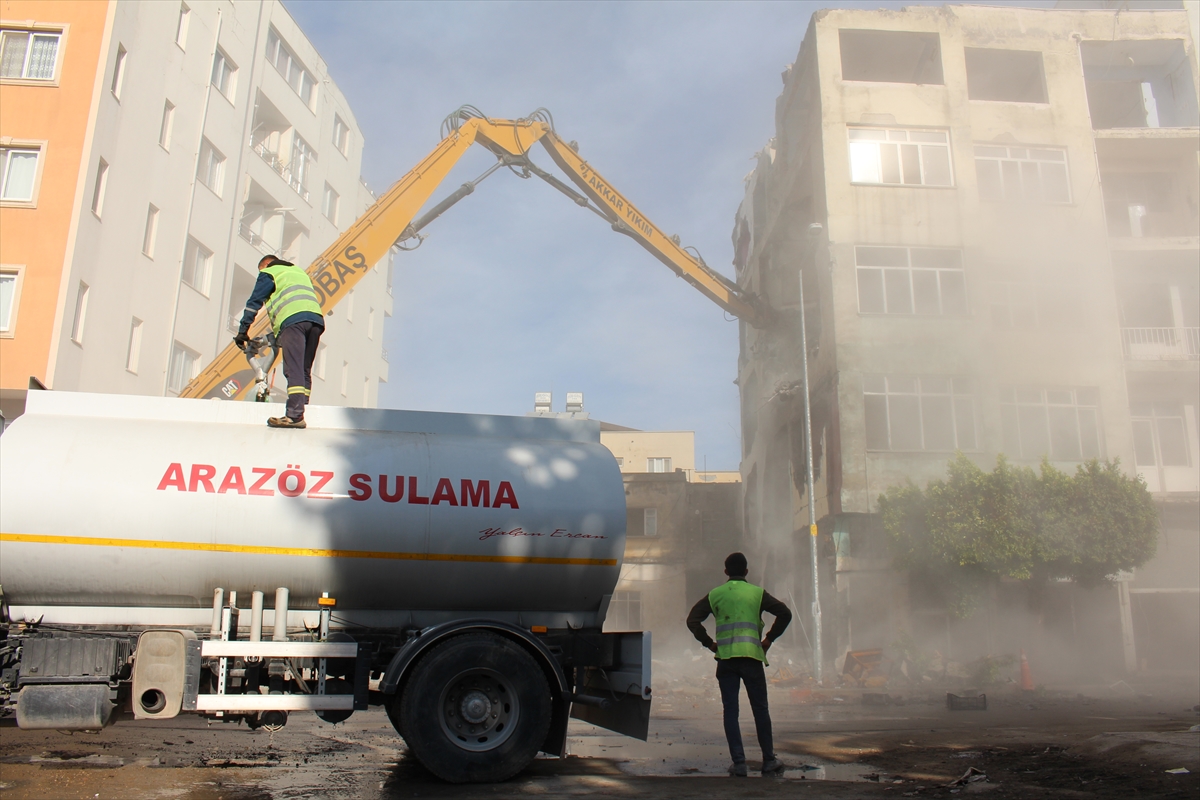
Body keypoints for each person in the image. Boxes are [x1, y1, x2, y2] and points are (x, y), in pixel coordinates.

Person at [686, 551, 792, 777]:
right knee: (760, 710)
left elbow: (692, 620)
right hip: (752, 658)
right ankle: (769, 760)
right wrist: (769, 639)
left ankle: (740, 763)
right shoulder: (757, 593)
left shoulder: (716, 594)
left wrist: (709, 644)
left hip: (726, 661)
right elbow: (785, 613)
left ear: (726, 572)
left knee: (730, 711)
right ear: (746, 571)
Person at [234, 254, 324, 428]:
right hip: (315, 320)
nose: (261, 274)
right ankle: (303, 406)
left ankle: (295, 416)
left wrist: (243, 331)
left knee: (293, 368)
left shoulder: (270, 271)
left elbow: (254, 302)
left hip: (293, 321)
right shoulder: (298, 272)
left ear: (266, 264)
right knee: (304, 368)